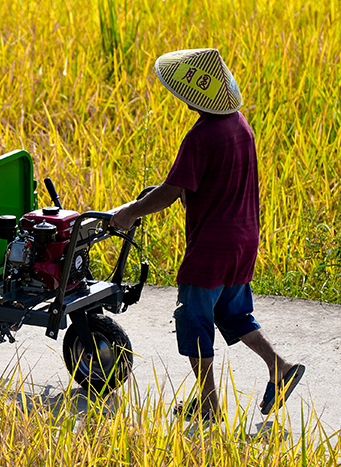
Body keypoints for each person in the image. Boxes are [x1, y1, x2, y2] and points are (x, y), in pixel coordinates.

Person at [108, 48, 304, 426]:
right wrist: (174, 192)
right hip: (244, 239)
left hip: (212, 246)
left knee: (194, 320)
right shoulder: (239, 125)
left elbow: (170, 191)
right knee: (233, 313)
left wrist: (129, 213)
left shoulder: (201, 136)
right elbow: (209, 181)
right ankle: (280, 367)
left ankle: (209, 404)